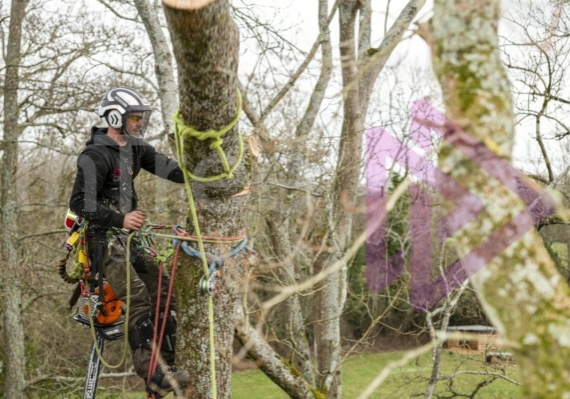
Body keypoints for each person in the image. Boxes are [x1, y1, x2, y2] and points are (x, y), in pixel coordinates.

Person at [69, 87, 190, 397]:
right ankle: (152, 375)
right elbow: (81, 202)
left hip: (132, 239)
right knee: (138, 298)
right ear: (115, 117)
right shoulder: (94, 155)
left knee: (163, 290)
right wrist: (120, 219)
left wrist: (207, 175)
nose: (140, 123)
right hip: (104, 242)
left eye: (142, 117)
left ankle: (171, 365)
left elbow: (171, 170)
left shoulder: (136, 148)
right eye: (134, 117)